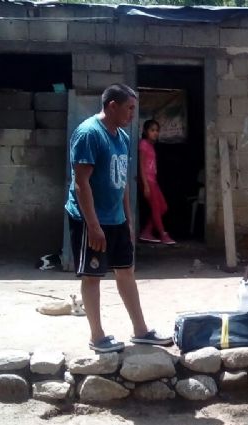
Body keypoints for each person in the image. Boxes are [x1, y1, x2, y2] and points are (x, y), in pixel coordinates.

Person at [64, 83, 172, 353]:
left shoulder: (122, 137)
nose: (133, 114)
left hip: (116, 219)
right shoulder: (89, 133)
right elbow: (81, 183)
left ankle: (141, 330)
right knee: (92, 276)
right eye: (130, 108)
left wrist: (128, 218)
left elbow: (122, 181)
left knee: (126, 271)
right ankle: (97, 336)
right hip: (91, 220)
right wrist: (93, 225)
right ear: (113, 105)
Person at [138, 119, 176, 245]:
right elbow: (142, 166)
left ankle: (147, 232)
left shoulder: (151, 145)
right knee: (155, 207)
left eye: (157, 131)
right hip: (148, 181)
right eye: (152, 130)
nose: (155, 133)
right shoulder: (143, 144)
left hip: (153, 181)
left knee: (163, 207)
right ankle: (162, 234)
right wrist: (146, 186)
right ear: (145, 131)